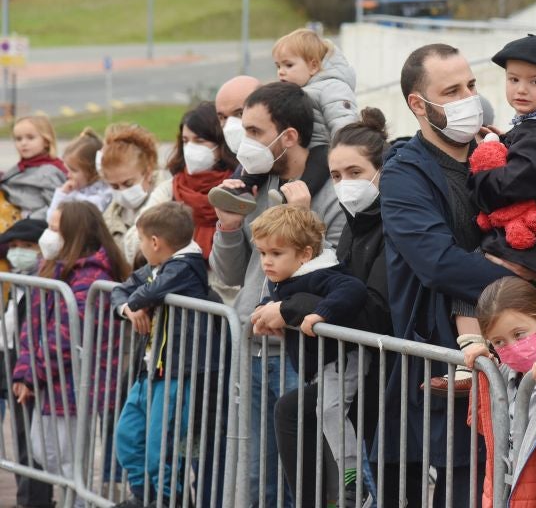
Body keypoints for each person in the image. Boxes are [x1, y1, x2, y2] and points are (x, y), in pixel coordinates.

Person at [378, 43, 512, 506]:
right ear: (419, 104)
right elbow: (437, 262)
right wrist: (523, 288)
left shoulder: (501, 157)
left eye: (471, 86)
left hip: (516, 360)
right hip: (444, 365)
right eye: (451, 90)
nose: (467, 98)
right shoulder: (403, 175)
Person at [209, 81, 345, 508]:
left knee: (301, 478)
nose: (242, 141)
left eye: (253, 131)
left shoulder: (332, 191)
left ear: (288, 137)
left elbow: (335, 278)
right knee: (253, 476)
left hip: (298, 355)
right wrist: (229, 227)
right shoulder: (252, 183)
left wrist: (302, 220)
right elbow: (230, 273)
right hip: (250, 350)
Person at [273, 107, 392, 506]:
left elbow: (370, 307)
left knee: (306, 414)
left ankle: (355, 484)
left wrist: (292, 308)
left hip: (382, 369)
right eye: (337, 176)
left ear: (381, 170)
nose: (344, 185)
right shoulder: (353, 225)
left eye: (355, 173)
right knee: (295, 411)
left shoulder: (390, 225)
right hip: (351, 363)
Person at [454, 34, 536, 387]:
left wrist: (479, 178)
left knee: (468, 274)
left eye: (535, 82)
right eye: (514, 80)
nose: (521, 89)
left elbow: (514, 182)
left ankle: (472, 351)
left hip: (529, 243)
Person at [248, 204, 366, 506]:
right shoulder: (288, 279)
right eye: (262, 254)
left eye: (276, 254)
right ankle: (330, 493)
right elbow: (279, 299)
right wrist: (264, 311)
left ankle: (354, 481)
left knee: (330, 412)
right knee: (316, 417)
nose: (266, 262)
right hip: (321, 367)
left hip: (343, 359)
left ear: (305, 254)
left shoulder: (323, 273)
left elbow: (351, 289)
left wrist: (320, 313)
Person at [12, 202, 130, 503]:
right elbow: (32, 325)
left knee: (69, 464)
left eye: (54, 229)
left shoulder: (91, 275)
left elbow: (64, 337)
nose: (47, 236)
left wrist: (32, 375)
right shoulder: (53, 265)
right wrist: (25, 370)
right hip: (49, 384)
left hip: (74, 386)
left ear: (74, 233)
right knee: (46, 454)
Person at [110, 202, 210, 508]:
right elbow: (122, 290)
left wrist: (137, 301)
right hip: (149, 372)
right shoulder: (159, 266)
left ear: (155, 242)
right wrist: (128, 308)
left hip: (175, 375)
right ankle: (146, 498)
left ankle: (170, 501)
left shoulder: (186, 266)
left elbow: (147, 292)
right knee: (127, 440)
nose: (139, 247)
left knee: (161, 453)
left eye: (140, 240)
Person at [208, 28, 357, 215]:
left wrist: (340, 151)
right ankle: (239, 187)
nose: (281, 72)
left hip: (322, 146)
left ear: (313, 66)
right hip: (302, 143)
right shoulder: (297, 89)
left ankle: (295, 195)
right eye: (278, 66)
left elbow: (344, 122)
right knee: (260, 153)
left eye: (288, 65)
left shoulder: (333, 87)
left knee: (317, 167)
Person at [464, 276, 536, 507]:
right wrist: (485, 372)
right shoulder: (503, 373)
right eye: (499, 342)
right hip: (498, 492)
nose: (511, 346)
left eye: (519, 334)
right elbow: (482, 426)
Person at [140, 102, 239, 301]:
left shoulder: (238, 188)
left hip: (230, 301)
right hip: (180, 302)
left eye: (199, 140)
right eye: (185, 141)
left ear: (221, 144)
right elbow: (138, 235)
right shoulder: (171, 188)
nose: (191, 148)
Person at [0, 218, 55, 508]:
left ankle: (33, 501)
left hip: (31, 371)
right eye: (15, 246)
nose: (19, 251)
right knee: (22, 440)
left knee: (33, 443)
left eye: (28, 246)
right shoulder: (16, 280)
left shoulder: (43, 284)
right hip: (11, 363)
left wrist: (30, 375)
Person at [100, 124, 168, 266]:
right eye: (114, 186)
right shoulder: (109, 217)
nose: (122, 191)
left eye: (128, 183)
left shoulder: (169, 201)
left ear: (148, 173)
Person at [0, 115, 67, 225]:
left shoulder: (49, 171)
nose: (23, 143)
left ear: (46, 141)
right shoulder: (25, 164)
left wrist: (28, 220)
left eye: (30, 138)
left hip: (28, 222)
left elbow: (55, 205)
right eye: (18, 139)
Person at [48, 128, 112, 215]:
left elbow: (90, 210)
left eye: (73, 170)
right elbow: (51, 219)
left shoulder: (105, 192)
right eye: (67, 170)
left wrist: (73, 197)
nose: (68, 175)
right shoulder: (74, 190)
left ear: (93, 170)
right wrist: (62, 194)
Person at [215, 75, 260, 154]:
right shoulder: (243, 165)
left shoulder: (285, 163)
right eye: (223, 117)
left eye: (240, 114)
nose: (230, 126)